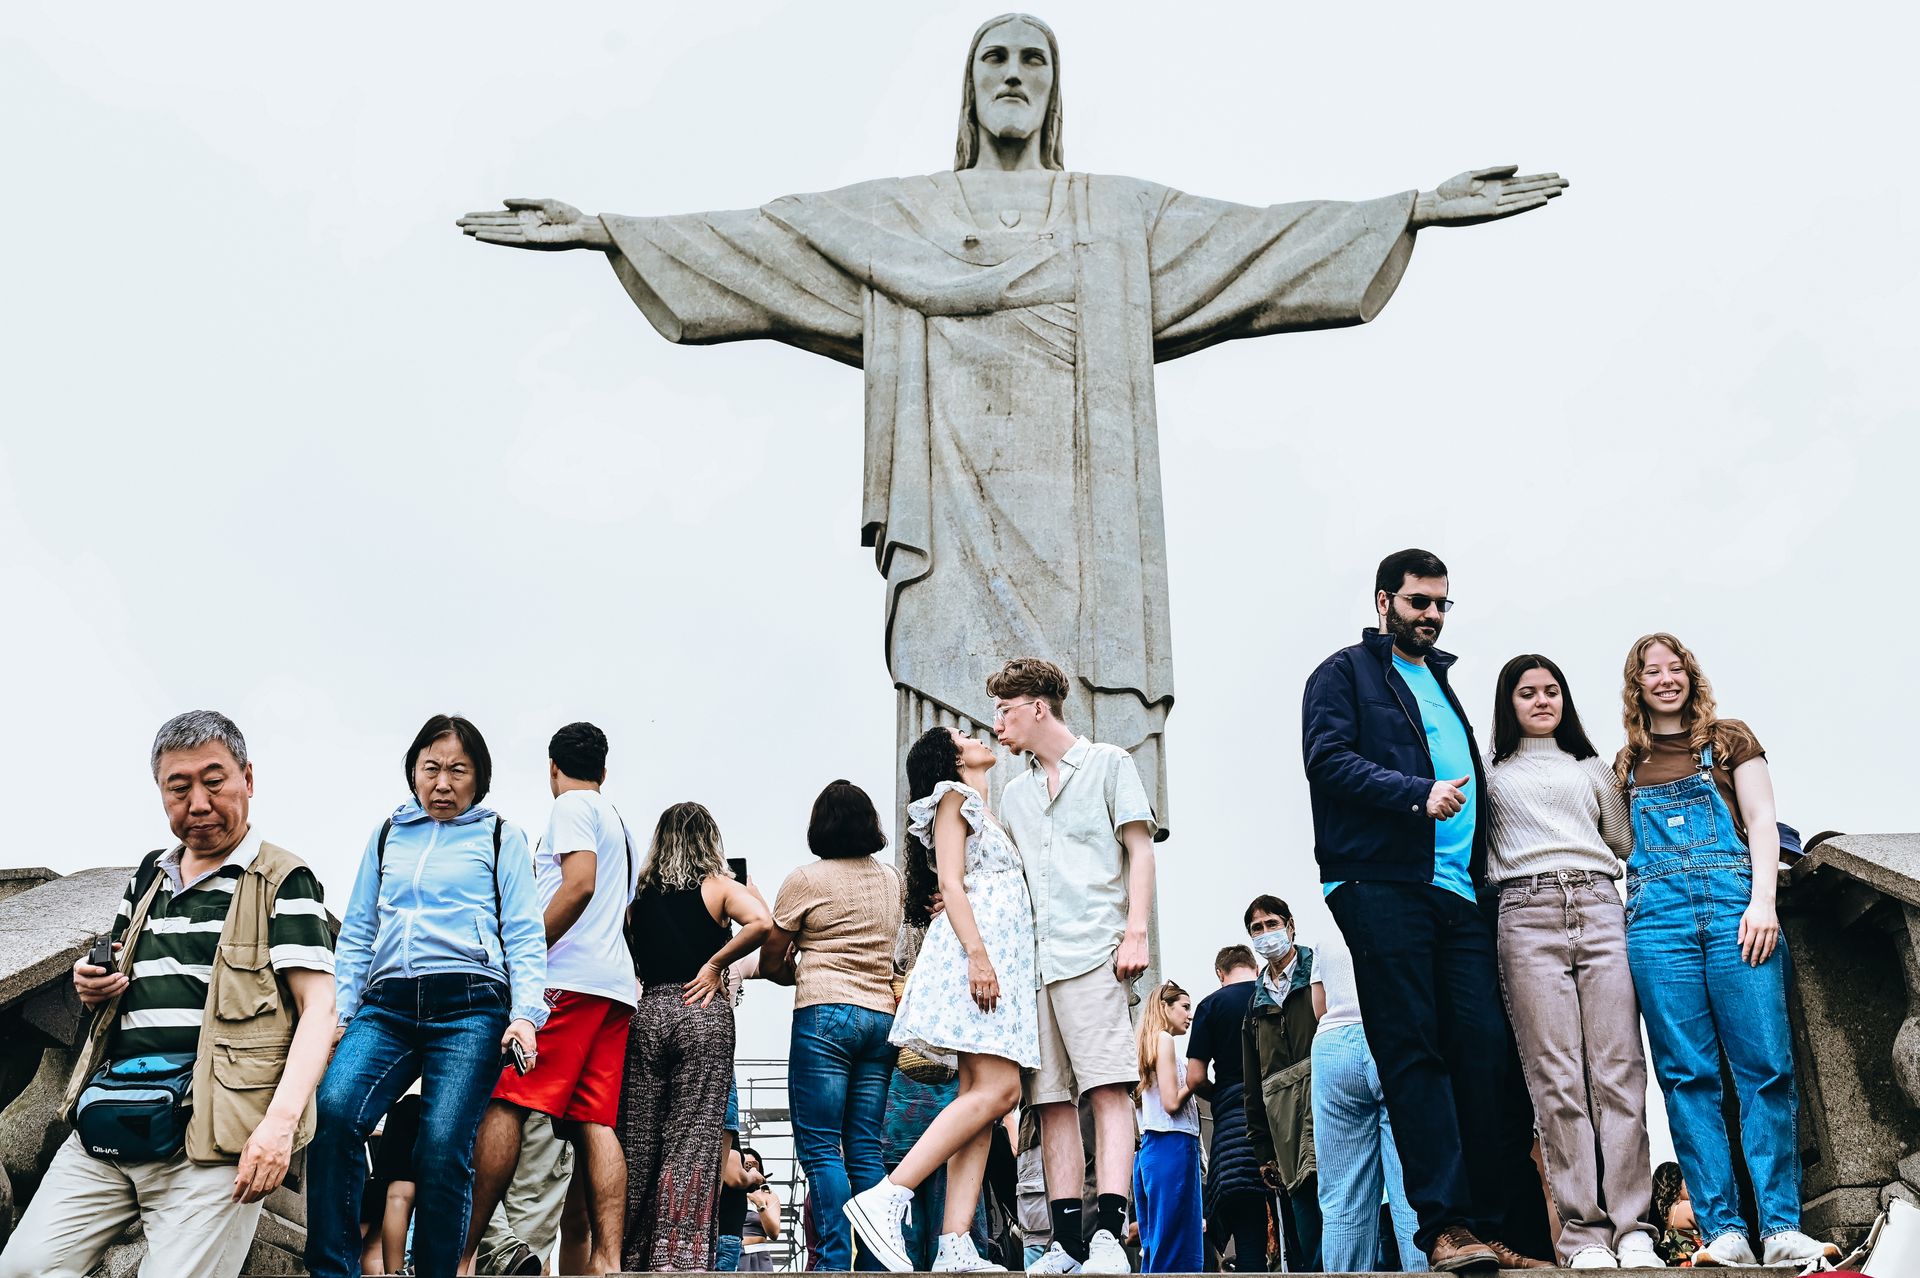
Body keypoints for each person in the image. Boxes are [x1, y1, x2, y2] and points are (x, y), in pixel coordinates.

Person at [0, 712, 336, 1278]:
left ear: (247, 778)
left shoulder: (284, 879)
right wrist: (92, 983)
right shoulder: (148, 877)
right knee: (24, 1267)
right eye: (178, 788)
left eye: (214, 780)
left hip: (214, 1133)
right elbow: (123, 975)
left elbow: (319, 1010)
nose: (198, 803)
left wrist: (278, 1127)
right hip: (114, 1117)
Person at [1301, 549, 1547, 1272]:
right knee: (1414, 1051)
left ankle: (1496, 1229)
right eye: (1418, 603)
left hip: (1459, 893)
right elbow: (1327, 759)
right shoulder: (1344, 674)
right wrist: (1417, 793)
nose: (1432, 617)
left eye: (1441, 605)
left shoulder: (1441, 685)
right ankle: (1445, 1227)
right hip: (1380, 882)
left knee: (1485, 1053)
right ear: (1385, 603)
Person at [1614, 634, 1835, 1269]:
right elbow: (1617, 847)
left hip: (1737, 909)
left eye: (1675, 668)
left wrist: (1762, 901)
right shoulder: (1625, 763)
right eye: (1651, 671)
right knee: (1686, 1077)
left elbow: (1763, 820)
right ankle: (1724, 1230)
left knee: (1765, 1066)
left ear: (1691, 675)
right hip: (1657, 926)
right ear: (1637, 685)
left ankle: (1782, 1225)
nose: (1665, 680)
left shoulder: (1729, 738)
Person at [307, 714, 547, 1278]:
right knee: (335, 1112)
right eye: (430, 768)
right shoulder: (388, 832)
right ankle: (332, 1271)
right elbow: (360, 929)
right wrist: (342, 1013)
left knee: (441, 1148)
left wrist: (527, 1015)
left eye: (458, 770)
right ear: (413, 771)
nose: (442, 782)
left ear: (479, 778)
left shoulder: (499, 835)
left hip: (470, 1005)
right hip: (386, 1005)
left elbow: (524, 931)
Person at [1482, 655, 1663, 1269]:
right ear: (1508, 702)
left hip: (1597, 902)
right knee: (1557, 1080)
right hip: (1524, 911)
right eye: (1527, 692)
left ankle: (1634, 1227)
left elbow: (1626, 843)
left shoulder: (1590, 767)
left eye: (1551, 690)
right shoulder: (1489, 772)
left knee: (1619, 1071)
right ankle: (1583, 1235)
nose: (1540, 701)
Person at [844, 725, 1040, 1274]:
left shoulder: (979, 804)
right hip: (981, 962)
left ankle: (955, 1240)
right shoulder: (953, 797)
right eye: (963, 733)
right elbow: (951, 883)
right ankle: (891, 1194)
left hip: (993, 962)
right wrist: (978, 956)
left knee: (978, 1099)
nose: (978, 733)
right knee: (999, 1090)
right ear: (951, 757)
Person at [990, 657, 1158, 1275]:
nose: (998, 724)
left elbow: (1139, 851)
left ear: (1039, 707)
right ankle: (1065, 1243)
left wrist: (1135, 930)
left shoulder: (1111, 764)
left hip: (1095, 950)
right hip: (1036, 963)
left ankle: (1111, 1234)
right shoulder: (1014, 794)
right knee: (1052, 1102)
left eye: (1006, 710)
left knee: (1109, 1090)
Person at [463, 722, 635, 1276]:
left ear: (553, 769)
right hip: (613, 987)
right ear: (604, 770)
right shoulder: (620, 824)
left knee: (506, 1097)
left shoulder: (570, 807)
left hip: (568, 981)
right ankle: (608, 1262)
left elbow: (578, 884)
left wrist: (526, 957)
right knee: (595, 1120)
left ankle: (465, 1257)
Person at [620, 801, 771, 1272]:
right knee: (693, 1142)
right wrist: (714, 965)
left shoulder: (636, 899)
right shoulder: (719, 887)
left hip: (649, 1012)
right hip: (702, 1009)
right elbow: (763, 923)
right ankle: (678, 1259)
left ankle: (635, 1256)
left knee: (641, 1142)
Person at [761, 779, 905, 1269]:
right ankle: (878, 1261)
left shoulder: (806, 879)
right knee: (865, 1146)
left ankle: (833, 1261)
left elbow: (772, 958)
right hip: (881, 1017)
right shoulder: (891, 880)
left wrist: (794, 973)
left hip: (825, 1013)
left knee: (822, 1147)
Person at [1309, 930, 1423, 1274]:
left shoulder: (1325, 932)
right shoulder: (1400, 910)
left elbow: (1319, 1006)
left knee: (1344, 1198)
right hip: (1394, 1035)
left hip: (1332, 1047)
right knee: (1413, 1188)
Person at [1239, 897, 1320, 1272]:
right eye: (1257, 929)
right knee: (1305, 1221)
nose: (1266, 934)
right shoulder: (1254, 1004)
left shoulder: (1317, 970)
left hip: (1326, 1099)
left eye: (1272, 924)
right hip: (1283, 1120)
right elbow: (1252, 1082)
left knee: (1344, 1201)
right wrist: (1261, 1149)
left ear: (1290, 926)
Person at [1185, 945, 1268, 1272]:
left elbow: (1195, 1077)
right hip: (1286, 1116)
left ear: (1220, 973)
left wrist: (1223, 1094)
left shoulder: (1211, 1005)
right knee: (1299, 1220)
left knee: (1248, 1233)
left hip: (1236, 1123)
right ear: (1256, 966)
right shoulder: (1273, 995)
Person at [1132, 981, 1202, 1273]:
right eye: (1185, 1007)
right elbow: (1172, 1103)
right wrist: (1194, 1082)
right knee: (1177, 1242)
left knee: (1157, 1240)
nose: (1189, 1015)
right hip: (1173, 1145)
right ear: (1165, 1007)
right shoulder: (1165, 1041)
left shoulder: (1145, 1045)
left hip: (1150, 1149)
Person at [740, 1147, 785, 1271]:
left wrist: (760, 1205)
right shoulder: (727, 1194)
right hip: (730, 1254)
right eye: (744, 1165)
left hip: (756, 1257)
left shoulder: (767, 1195)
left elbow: (774, 1233)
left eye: (752, 1166)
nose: (748, 1170)